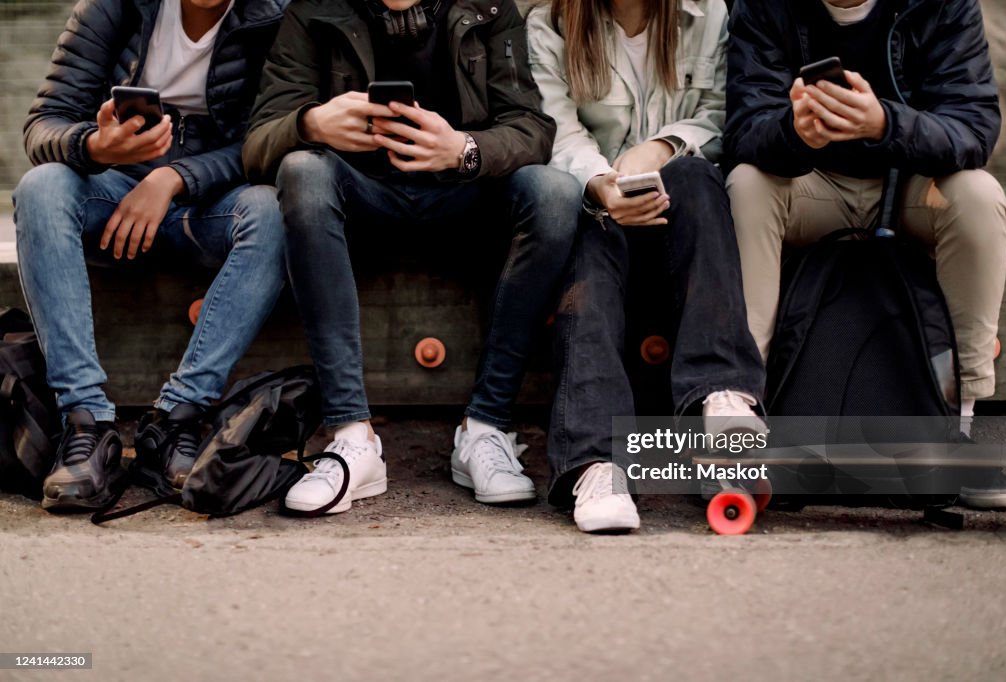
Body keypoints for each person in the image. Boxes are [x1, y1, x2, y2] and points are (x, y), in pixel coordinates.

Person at [242, 0, 581, 514]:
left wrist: (463, 149)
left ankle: (485, 428)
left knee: (554, 192)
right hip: (360, 202)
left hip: (466, 199)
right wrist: (311, 124)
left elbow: (532, 129)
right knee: (302, 172)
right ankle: (353, 437)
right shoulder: (313, 11)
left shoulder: (487, 9)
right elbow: (258, 144)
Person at [725, 0, 1006, 510]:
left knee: (978, 195)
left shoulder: (944, 4)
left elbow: (973, 131)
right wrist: (795, 132)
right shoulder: (764, 5)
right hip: (809, 184)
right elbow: (744, 130)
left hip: (911, 186)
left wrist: (885, 124)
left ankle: (958, 428)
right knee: (745, 185)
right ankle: (749, 424)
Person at [14, 0, 288, 512]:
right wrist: (96, 148)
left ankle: (176, 419)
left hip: (213, 202)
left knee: (273, 210)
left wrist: (175, 177)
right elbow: (43, 125)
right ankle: (86, 423)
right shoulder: (112, 7)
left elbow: (273, 135)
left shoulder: (274, 15)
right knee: (40, 189)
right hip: (113, 192)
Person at [527, 0, 767, 533]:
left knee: (698, 180)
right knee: (584, 229)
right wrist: (603, 186)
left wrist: (661, 148)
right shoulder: (550, 24)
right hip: (600, 211)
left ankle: (723, 400)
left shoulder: (708, 15)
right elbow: (555, 129)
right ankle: (596, 462)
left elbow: (723, 114)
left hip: (684, 226)